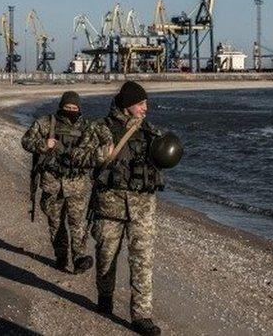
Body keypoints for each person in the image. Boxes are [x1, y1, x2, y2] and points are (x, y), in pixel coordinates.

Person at [90, 81, 165, 336]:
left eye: (146, 103)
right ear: (128, 105)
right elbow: (81, 157)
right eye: (141, 103)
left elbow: (164, 157)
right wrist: (102, 155)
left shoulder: (150, 131)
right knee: (105, 256)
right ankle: (105, 296)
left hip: (142, 209)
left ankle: (141, 316)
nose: (146, 108)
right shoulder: (100, 129)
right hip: (109, 205)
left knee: (142, 261)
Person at [20, 91, 101, 274]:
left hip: (77, 184)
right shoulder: (47, 123)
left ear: (79, 109)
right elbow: (26, 141)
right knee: (56, 223)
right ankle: (60, 255)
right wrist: (44, 145)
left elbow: (97, 153)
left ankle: (79, 258)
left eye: (74, 108)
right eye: (67, 107)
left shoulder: (87, 127)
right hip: (53, 183)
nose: (71, 110)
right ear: (61, 107)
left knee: (77, 223)